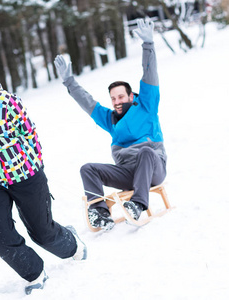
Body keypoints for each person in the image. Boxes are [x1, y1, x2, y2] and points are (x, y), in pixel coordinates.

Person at [0, 37, 87, 295]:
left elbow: (30, 134)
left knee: (43, 234)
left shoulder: (3, 101)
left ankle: (73, 245)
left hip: (25, 174)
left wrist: (32, 167)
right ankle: (34, 272)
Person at [54, 19, 167, 230]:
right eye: (113, 98)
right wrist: (69, 81)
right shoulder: (110, 119)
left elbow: (149, 73)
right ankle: (99, 211)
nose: (116, 102)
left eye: (121, 96)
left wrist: (148, 45)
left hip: (153, 168)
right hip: (127, 173)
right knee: (88, 169)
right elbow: (88, 102)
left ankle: (138, 204)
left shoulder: (146, 106)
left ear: (131, 96)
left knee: (145, 152)